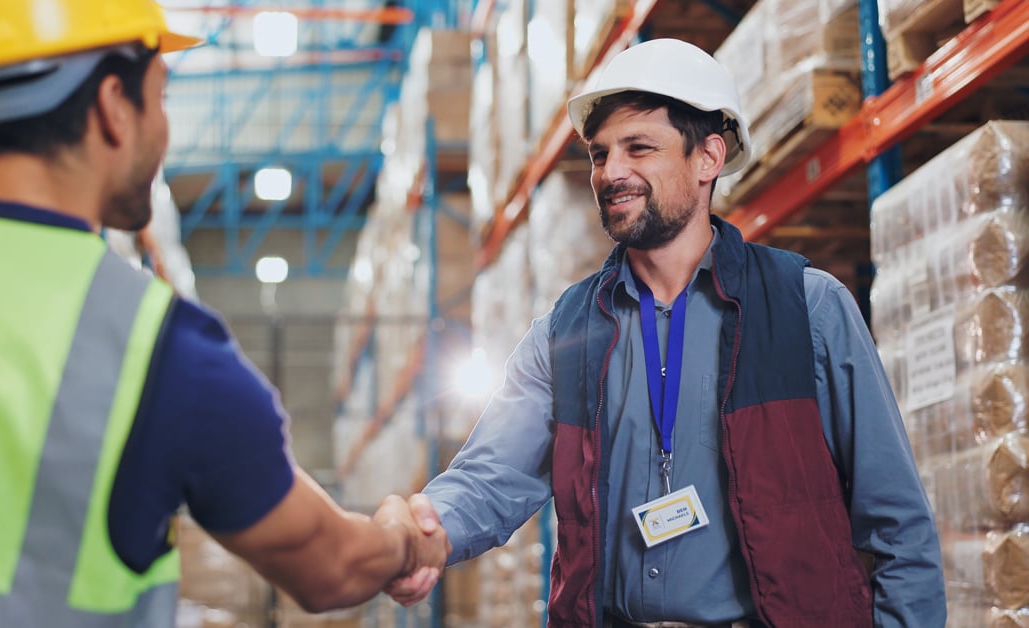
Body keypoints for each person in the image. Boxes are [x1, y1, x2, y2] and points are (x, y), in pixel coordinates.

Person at [0, 1, 447, 626]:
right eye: (161, 95)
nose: (163, 126)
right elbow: (330, 565)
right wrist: (400, 535)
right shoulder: (160, 349)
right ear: (112, 106)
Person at [387, 38, 945, 627]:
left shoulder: (806, 308)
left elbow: (896, 524)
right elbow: (491, 476)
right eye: (601, 154)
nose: (612, 172)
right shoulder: (565, 335)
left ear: (707, 158)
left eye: (639, 148)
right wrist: (425, 527)